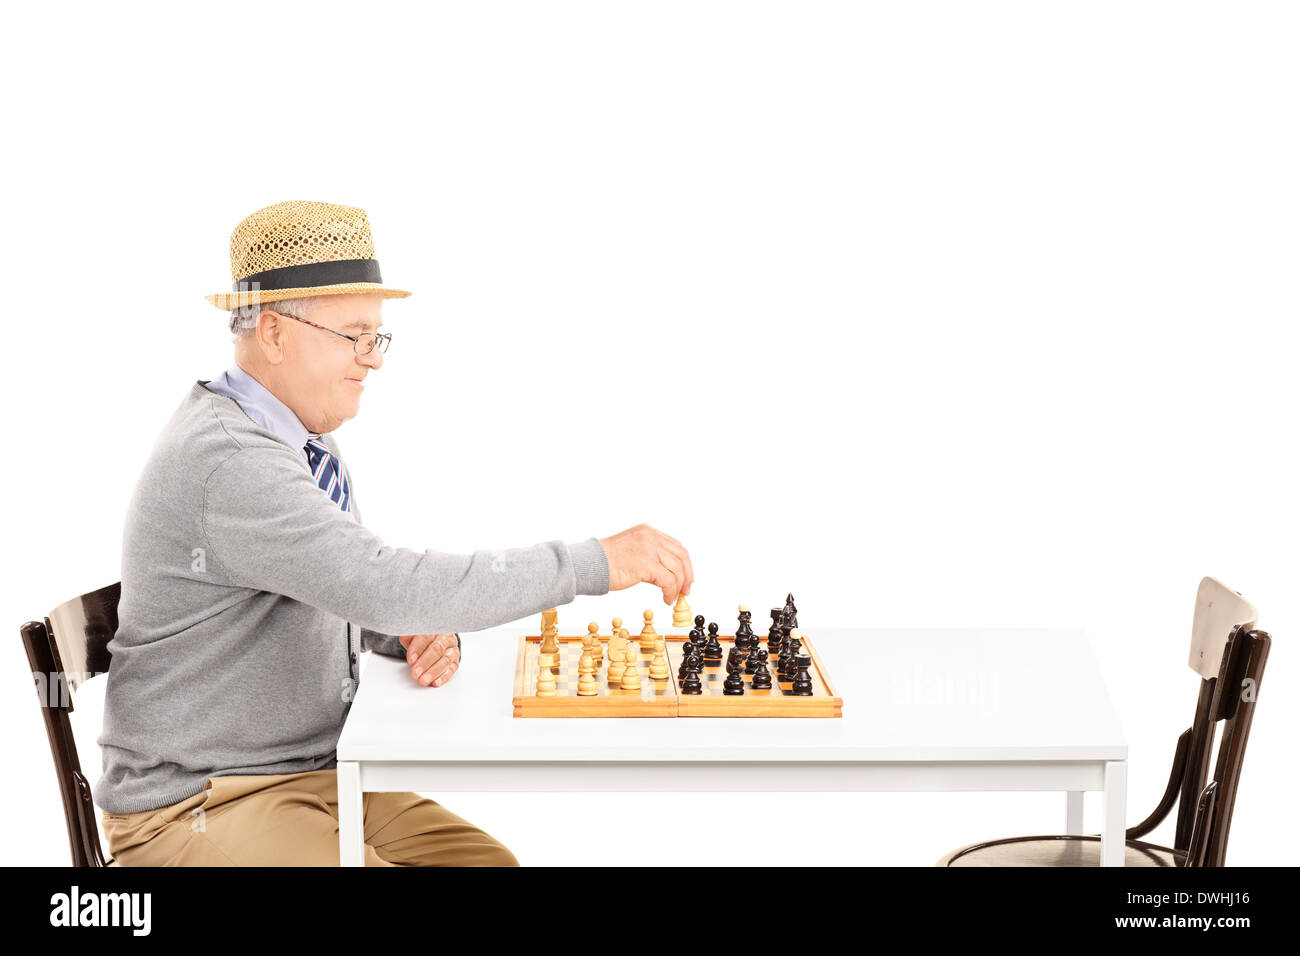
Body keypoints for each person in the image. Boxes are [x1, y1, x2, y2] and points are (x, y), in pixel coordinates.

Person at [94, 199, 694, 866]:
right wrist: (594, 564)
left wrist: (394, 628)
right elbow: (379, 582)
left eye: (376, 336)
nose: (372, 359)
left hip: (310, 773)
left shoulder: (293, 436)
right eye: (353, 335)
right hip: (199, 805)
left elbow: (330, 582)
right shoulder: (234, 462)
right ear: (273, 332)